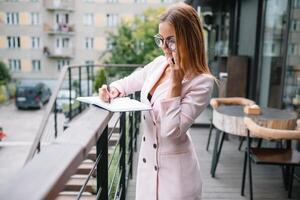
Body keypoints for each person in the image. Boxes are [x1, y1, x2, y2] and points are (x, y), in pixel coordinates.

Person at [99, 2, 214, 199]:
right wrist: (112, 90)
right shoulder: (159, 64)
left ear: (190, 39)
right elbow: (130, 82)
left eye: (171, 41)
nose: (165, 48)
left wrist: (176, 86)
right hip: (147, 169)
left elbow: (171, 132)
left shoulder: (201, 82)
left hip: (176, 180)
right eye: (161, 40)